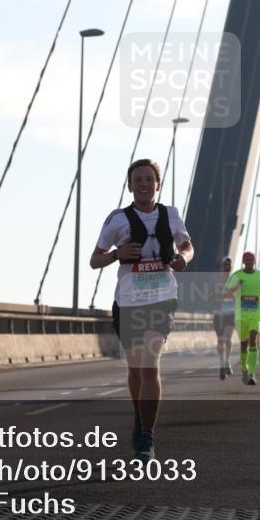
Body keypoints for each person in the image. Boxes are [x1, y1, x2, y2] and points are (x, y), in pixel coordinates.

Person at [90, 158, 193, 461]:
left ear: (157, 184)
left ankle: (147, 436)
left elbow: (187, 245)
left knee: (150, 365)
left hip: (162, 298)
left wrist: (184, 258)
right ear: (130, 185)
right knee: (135, 370)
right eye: (138, 180)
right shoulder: (117, 219)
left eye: (149, 179)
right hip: (129, 301)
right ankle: (140, 414)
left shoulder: (171, 215)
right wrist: (115, 255)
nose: (144, 184)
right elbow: (94, 260)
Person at [224, 251, 260, 386]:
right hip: (241, 315)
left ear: (254, 261)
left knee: (253, 341)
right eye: (246, 259)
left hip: (256, 314)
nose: (248, 261)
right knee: (244, 345)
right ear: (243, 262)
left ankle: (252, 373)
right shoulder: (237, 275)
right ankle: (244, 369)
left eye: (250, 259)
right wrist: (237, 287)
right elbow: (225, 293)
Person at [213, 256, 236, 380]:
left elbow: (237, 296)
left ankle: (227, 362)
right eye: (225, 264)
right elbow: (216, 296)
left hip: (231, 313)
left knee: (227, 338)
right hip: (219, 314)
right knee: (220, 340)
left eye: (229, 264)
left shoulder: (235, 280)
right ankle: (222, 365)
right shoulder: (217, 281)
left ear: (231, 266)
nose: (227, 266)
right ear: (222, 267)